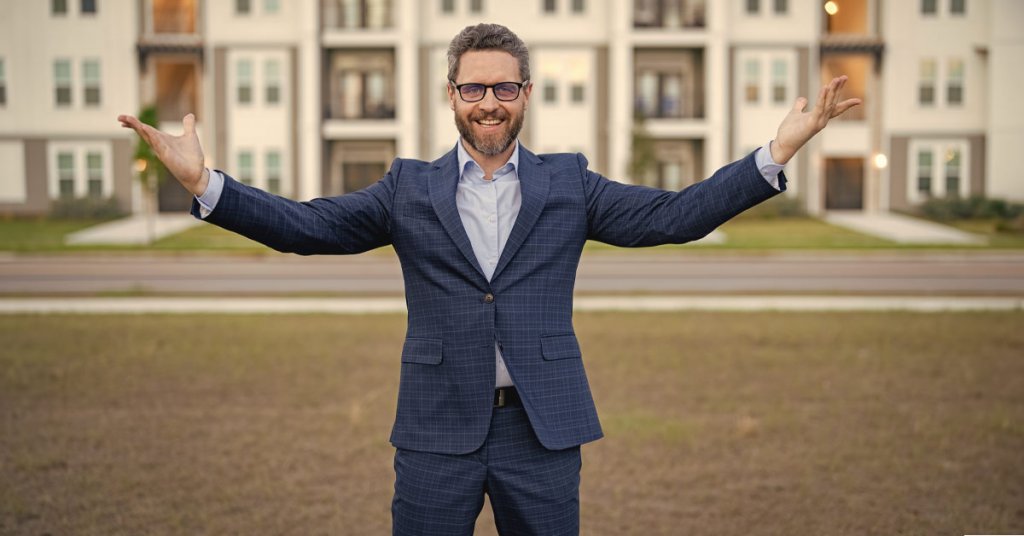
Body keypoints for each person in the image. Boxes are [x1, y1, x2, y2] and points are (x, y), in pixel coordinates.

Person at [119, 22, 859, 536]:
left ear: (527, 94)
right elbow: (307, 229)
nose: (489, 104)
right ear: (451, 96)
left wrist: (775, 153)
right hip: (437, 429)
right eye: (473, 90)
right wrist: (207, 183)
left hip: (540, 432)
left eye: (504, 89)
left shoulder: (570, 184)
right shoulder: (407, 189)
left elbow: (677, 215)